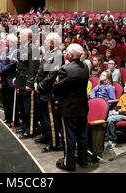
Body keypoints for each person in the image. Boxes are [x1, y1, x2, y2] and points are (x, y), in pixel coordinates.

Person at [53, 43, 89, 171]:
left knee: (69, 136)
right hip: (82, 107)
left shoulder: (65, 69)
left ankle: (69, 163)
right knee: (82, 134)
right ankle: (83, 160)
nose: (65, 53)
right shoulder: (85, 67)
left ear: (71, 54)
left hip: (68, 108)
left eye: (66, 51)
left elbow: (57, 88)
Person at [34, 33, 63, 153]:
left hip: (49, 92)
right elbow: (40, 71)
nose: (44, 42)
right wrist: (36, 82)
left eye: (46, 41)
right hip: (42, 90)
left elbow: (52, 75)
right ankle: (46, 137)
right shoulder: (48, 53)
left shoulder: (58, 54)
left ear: (52, 43)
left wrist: (39, 86)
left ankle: (54, 143)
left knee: (50, 119)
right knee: (43, 117)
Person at [15, 28, 40, 139]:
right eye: (19, 36)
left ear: (29, 38)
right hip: (21, 81)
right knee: (22, 107)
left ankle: (30, 129)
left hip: (27, 83)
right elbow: (20, 66)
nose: (20, 38)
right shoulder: (22, 48)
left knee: (28, 108)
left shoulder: (33, 49)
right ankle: (25, 125)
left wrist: (29, 83)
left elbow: (33, 68)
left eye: (22, 36)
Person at [0, 34, 18, 126]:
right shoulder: (5, 50)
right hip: (4, 79)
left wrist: (1, 70)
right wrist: (0, 69)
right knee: (5, 100)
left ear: (12, 42)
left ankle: (14, 120)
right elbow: (1, 62)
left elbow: (12, 64)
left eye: (7, 40)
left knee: (11, 101)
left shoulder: (15, 51)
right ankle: (7, 118)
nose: (6, 42)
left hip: (10, 79)